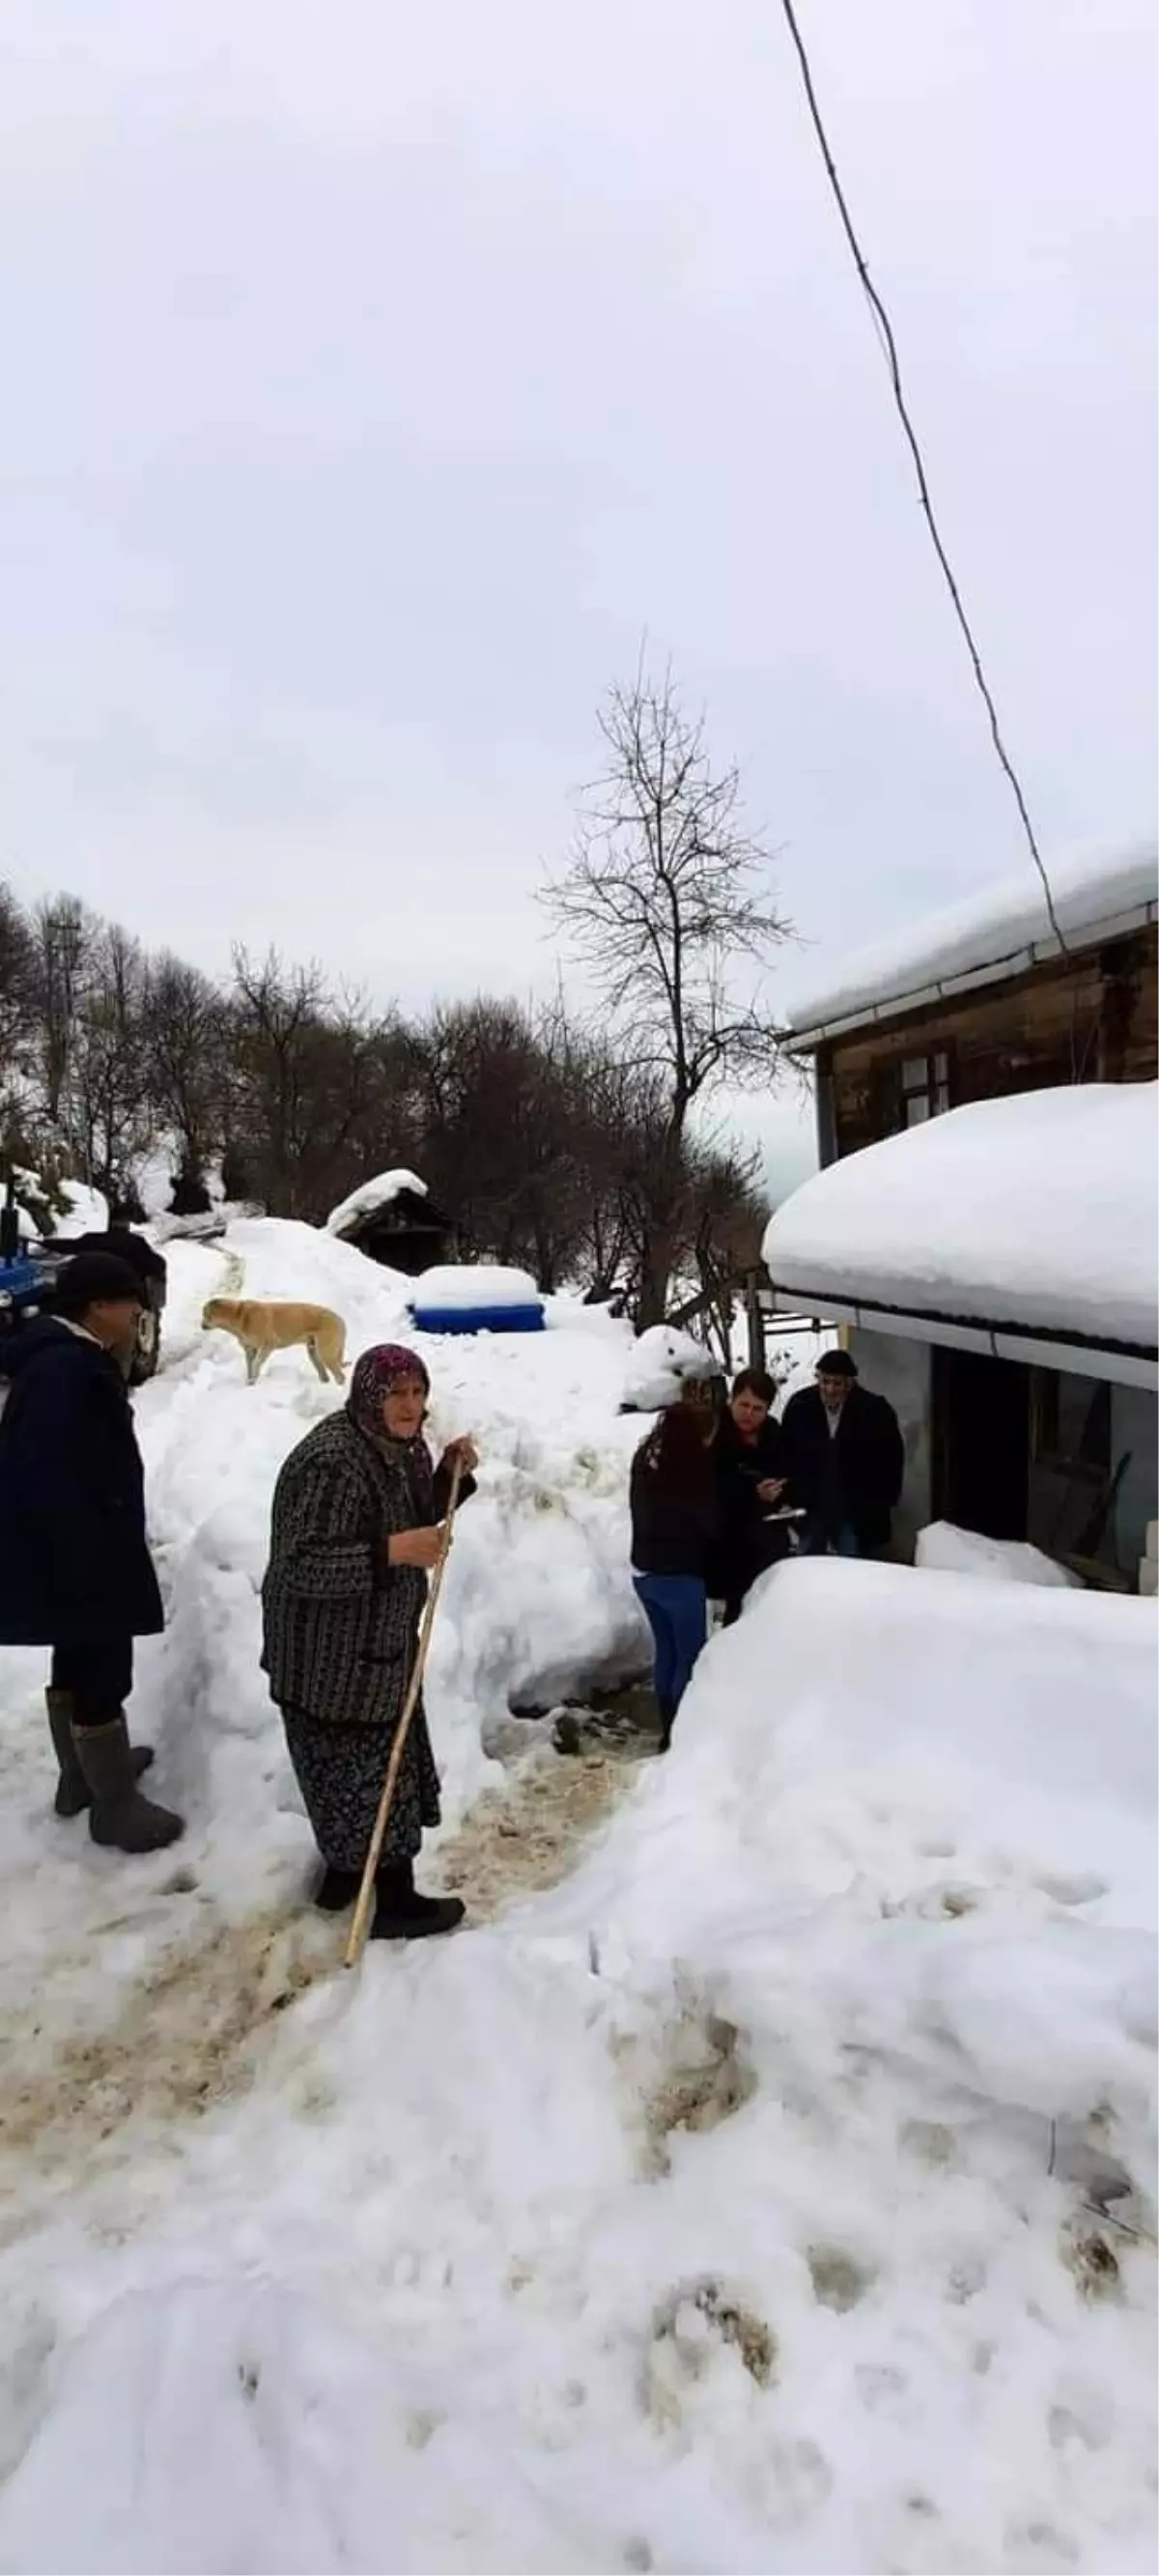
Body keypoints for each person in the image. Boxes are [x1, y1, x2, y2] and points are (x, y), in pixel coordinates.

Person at [261, 1343, 478, 1941]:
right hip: (325, 1655)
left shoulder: (402, 1448)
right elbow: (299, 1565)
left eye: (417, 1392)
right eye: (397, 1394)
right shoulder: (332, 1463)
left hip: (374, 1647)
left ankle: (346, 1870)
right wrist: (393, 1552)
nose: (411, 1406)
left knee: (367, 1766)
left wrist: (449, 1476)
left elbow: (411, 1513)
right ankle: (394, 1901)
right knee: (362, 1770)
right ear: (368, 1396)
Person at [0, 1251, 184, 1849]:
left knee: (76, 1657)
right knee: (104, 1668)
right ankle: (116, 1809)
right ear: (98, 1306)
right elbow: (48, 1470)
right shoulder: (66, 1371)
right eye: (130, 1301)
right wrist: (89, 1553)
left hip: (70, 1547)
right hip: (83, 1550)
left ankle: (81, 1779)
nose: (138, 1312)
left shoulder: (62, 1358)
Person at [630, 1400, 718, 1753]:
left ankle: (666, 1726)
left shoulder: (647, 1458)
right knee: (688, 1657)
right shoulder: (687, 1469)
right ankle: (680, 1735)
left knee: (665, 1651)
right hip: (679, 1575)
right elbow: (707, 1523)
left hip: (644, 1571)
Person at [780, 1349, 904, 1559]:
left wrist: (883, 1499)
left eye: (837, 1383)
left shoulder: (874, 1411)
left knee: (853, 1564)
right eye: (825, 1382)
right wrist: (788, 1495)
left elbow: (891, 1459)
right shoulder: (800, 1406)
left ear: (849, 1383)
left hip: (855, 1508)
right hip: (812, 1505)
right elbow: (785, 1452)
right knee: (807, 1564)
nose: (830, 1389)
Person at [713, 1366, 793, 1624]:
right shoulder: (715, 1433)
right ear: (732, 1400)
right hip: (729, 1543)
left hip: (770, 1537)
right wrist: (751, 1493)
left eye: (757, 1409)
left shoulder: (773, 1433)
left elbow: (790, 1470)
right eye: (743, 1405)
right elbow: (711, 1485)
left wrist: (782, 1491)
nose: (748, 1414)